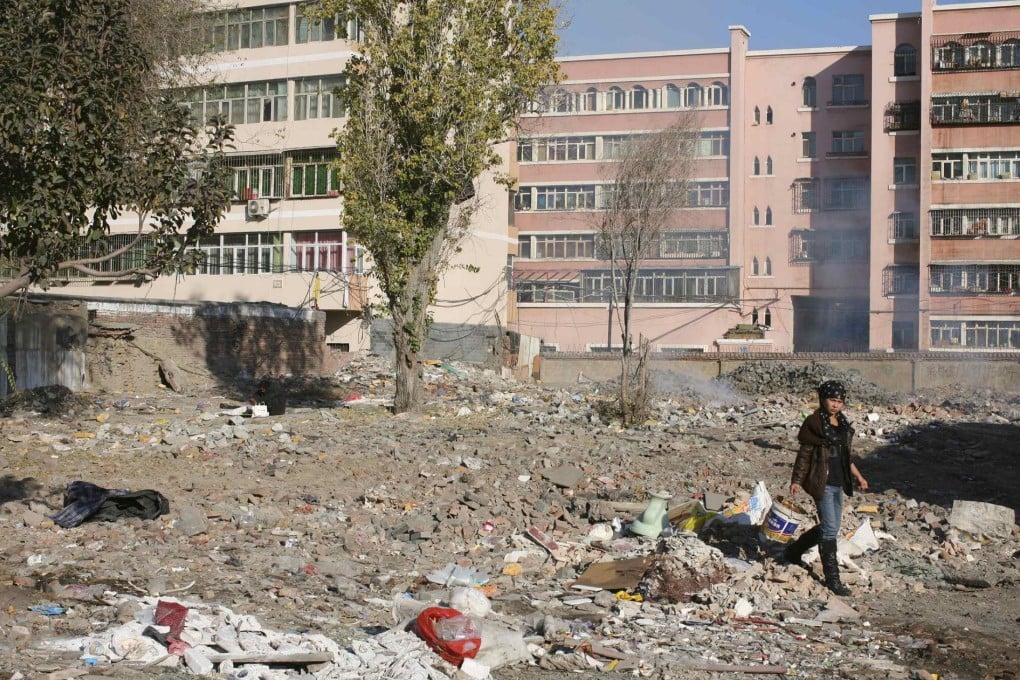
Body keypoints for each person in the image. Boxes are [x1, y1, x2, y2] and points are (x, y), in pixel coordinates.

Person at [784, 380, 868, 595]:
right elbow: (804, 455)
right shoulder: (814, 424)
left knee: (830, 526)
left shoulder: (842, 423)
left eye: (839, 401)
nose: (835, 405)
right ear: (822, 399)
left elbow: (845, 457)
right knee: (830, 529)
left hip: (839, 482)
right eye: (832, 400)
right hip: (822, 482)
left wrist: (858, 477)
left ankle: (794, 551)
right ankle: (833, 580)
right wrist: (796, 480)